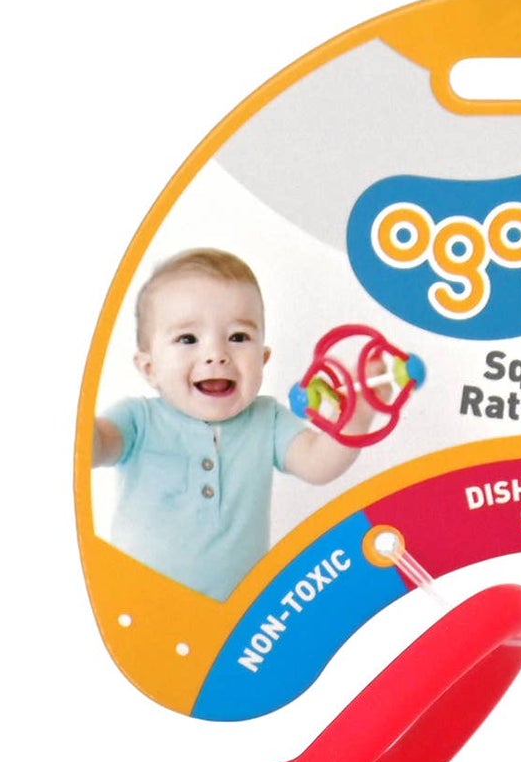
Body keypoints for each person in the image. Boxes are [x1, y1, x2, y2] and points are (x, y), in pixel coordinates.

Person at [91, 249, 374, 598]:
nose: (216, 354)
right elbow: (95, 445)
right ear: (150, 368)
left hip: (237, 614)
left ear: (263, 358)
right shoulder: (138, 419)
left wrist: (359, 414)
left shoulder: (267, 419)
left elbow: (318, 464)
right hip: (137, 603)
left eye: (238, 337)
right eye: (188, 339)